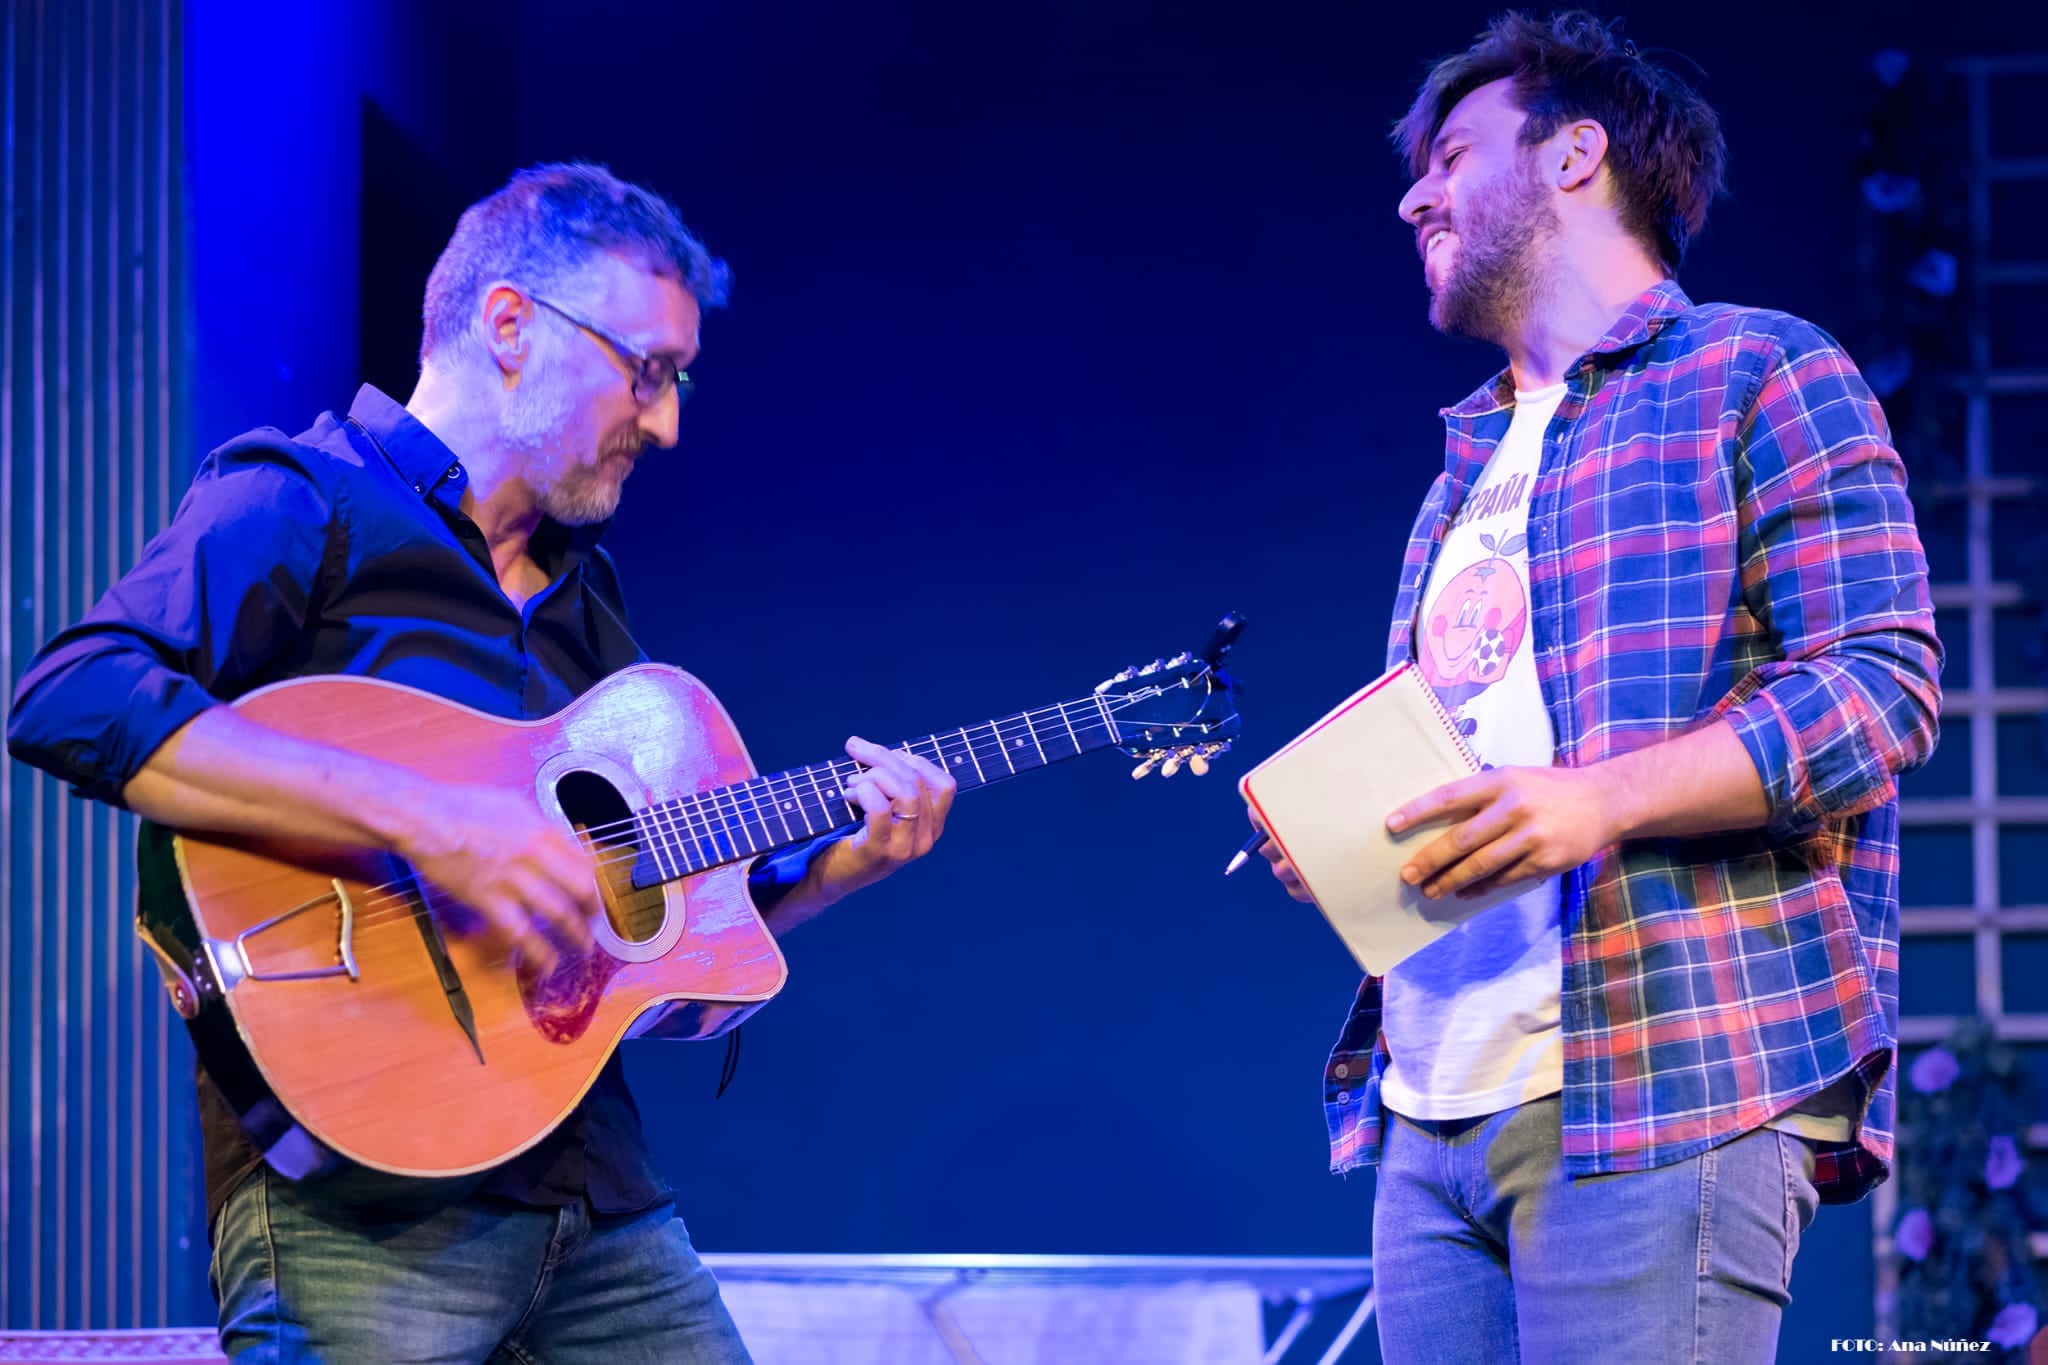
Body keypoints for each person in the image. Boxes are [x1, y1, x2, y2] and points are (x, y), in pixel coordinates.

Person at [7, 163, 957, 1362]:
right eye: (647, 370)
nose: (666, 423)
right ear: (510, 326)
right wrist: (433, 822)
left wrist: (836, 870)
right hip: (361, 1213)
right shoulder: (307, 499)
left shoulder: (585, 598)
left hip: (596, 1199)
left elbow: (651, 934)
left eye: (676, 381)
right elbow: (74, 693)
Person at [1250, 13, 1941, 1361]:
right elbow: (1485, 765)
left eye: (1452, 156)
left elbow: (1878, 685)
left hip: (1658, 1078)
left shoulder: (1757, 370)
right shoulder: (1459, 476)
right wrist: (1352, 841)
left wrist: (1598, 801)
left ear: (1575, 156)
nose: (1413, 198)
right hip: (1428, 1103)